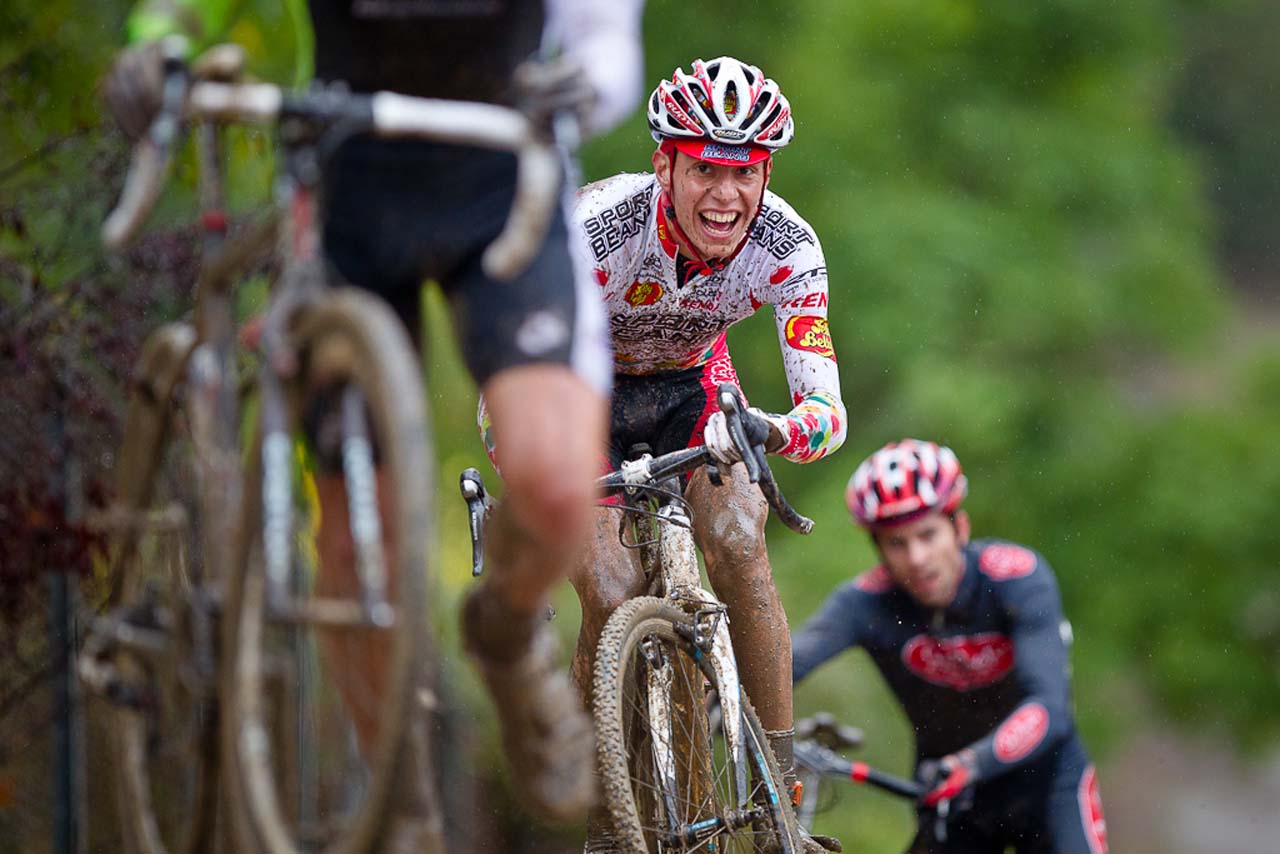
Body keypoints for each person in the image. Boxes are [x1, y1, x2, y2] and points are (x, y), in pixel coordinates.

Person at [102, 0, 645, 823]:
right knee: (361, 546)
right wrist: (156, 43)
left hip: (504, 180)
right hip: (346, 182)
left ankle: (503, 634)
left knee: (561, 488)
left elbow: (607, 46)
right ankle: (402, 811)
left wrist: (589, 88)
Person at [502, 55, 848, 852]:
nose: (727, 196)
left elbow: (826, 411)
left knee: (738, 538)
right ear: (665, 164)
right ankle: (608, 818)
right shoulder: (600, 229)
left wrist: (770, 429)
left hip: (691, 389)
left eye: (747, 173)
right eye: (705, 170)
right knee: (613, 580)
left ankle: (777, 804)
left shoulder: (789, 246)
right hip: (570, 389)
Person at [792, 439, 1109, 854]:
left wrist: (973, 762)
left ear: (959, 528)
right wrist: (719, 688)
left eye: (927, 534)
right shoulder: (864, 603)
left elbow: (1047, 706)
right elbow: (787, 660)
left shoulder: (1017, 579)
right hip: (951, 794)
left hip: (1048, 783)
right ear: (879, 550)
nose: (917, 558)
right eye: (896, 543)